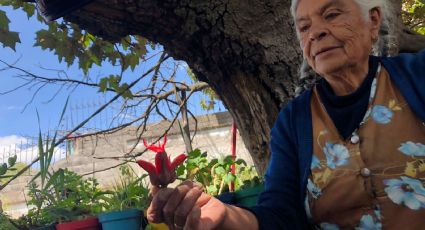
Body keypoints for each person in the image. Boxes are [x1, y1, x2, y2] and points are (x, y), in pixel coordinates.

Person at [33, 0, 425, 229]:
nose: (315, 33)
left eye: (332, 14)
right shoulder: (295, 120)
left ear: (373, 21)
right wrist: (222, 216)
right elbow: (278, 217)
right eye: (303, 27)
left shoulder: (416, 76)